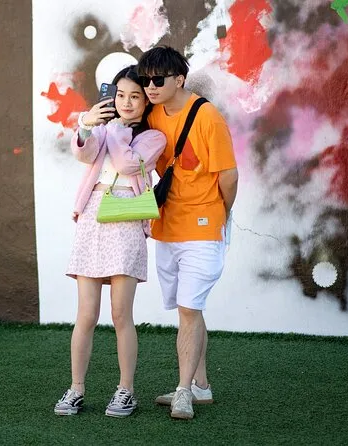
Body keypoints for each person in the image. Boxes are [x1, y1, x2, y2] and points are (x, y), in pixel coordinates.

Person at [54, 65, 166, 418]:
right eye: (120, 95)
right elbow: (84, 154)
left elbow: (127, 163)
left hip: (127, 219)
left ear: (146, 102)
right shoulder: (103, 129)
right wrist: (87, 125)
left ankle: (126, 391)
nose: (126, 102)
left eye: (135, 96)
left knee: (121, 314)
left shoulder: (153, 138)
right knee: (86, 314)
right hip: (92, 218)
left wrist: (115, 128)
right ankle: (76, 389)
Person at [137, 46, 238, 420]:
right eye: (146, 79)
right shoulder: (151, 114)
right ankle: (201, 386)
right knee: (189, 311)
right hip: (166, 228)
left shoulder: (207, 117)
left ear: (179, 79)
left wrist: (220, 214)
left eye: (158, 79)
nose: (150, 86)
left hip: (202, 228)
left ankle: (183, 392)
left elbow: (229, 176)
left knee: (189, 309)